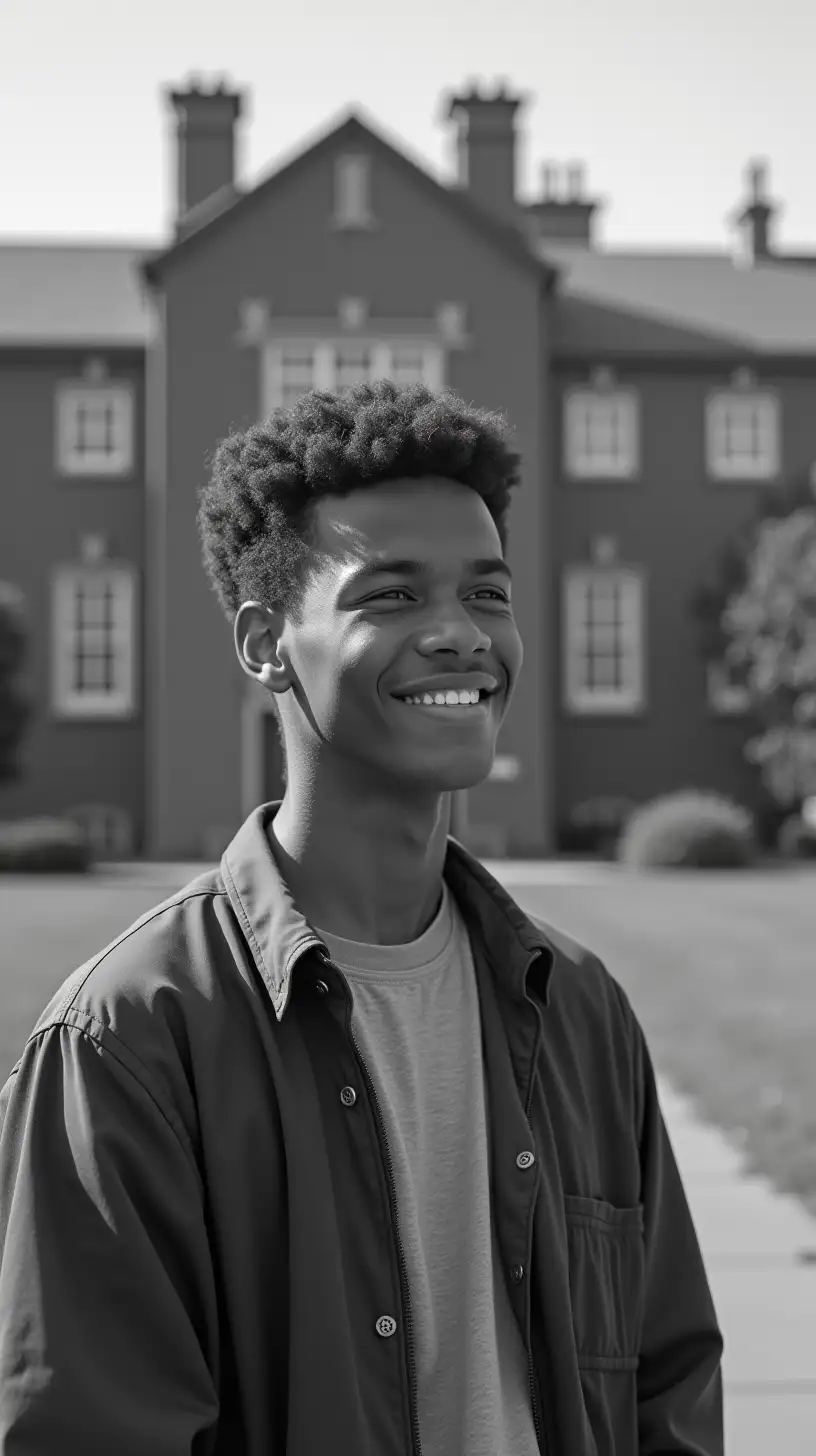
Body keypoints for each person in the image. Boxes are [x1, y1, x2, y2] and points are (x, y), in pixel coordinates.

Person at [0, 380, 724, 1455]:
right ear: (264, 643)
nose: (459, 636)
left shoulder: (580, 1010)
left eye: (487, 594)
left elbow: (667, 1391)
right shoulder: (130, 1043)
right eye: (390, 596)